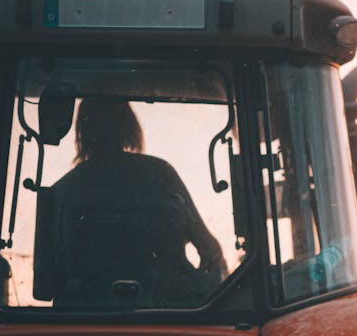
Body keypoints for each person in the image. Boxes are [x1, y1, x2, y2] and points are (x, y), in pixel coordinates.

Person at [45, 98, 226, 307]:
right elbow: (210, 250)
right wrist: (200, 302)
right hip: (169, 312)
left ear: (82, 130)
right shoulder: (160, 174)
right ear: (128, 125)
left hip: (91, 314)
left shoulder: (65, 189)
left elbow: (49, 278)